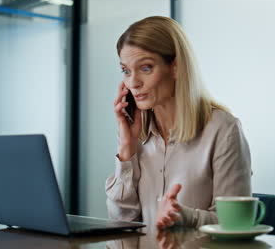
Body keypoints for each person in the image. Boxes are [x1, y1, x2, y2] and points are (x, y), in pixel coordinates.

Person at [105, 16, 251, 229]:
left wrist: (185, 217)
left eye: (145, 68)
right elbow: (121, 221)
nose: (133, 82)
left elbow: (237, 223)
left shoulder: (223, 129)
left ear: (176, 67)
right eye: (126, 71)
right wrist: (127, 148)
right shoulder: (135, 133)